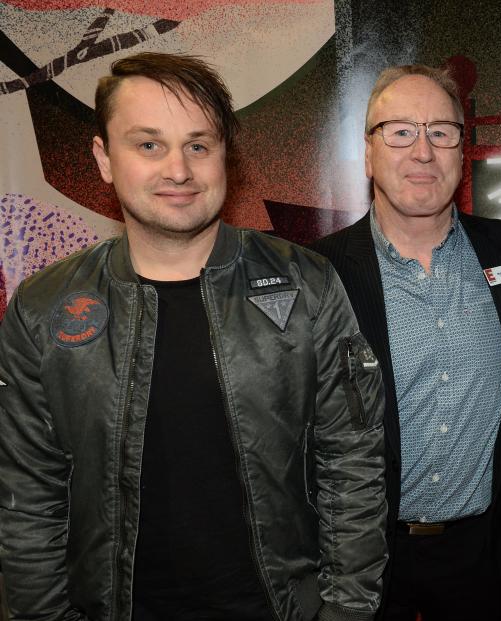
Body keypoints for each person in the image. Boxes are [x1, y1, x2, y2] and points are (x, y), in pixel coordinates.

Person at [0, 52, 387, 621]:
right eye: (149, 145)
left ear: (225, 155)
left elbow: (352, 468)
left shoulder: (308, 285)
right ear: (104, 159)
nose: (178, 170)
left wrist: (345, 613)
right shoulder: (41, 309)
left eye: (199, 145)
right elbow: (27, 499)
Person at [312, 64, 501, 621]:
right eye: (400, 131)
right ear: (369, 153)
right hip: (366, 560)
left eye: (441, 132)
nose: (422, 152)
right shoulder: (321, 272)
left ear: (461, 151)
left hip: (485, 554)